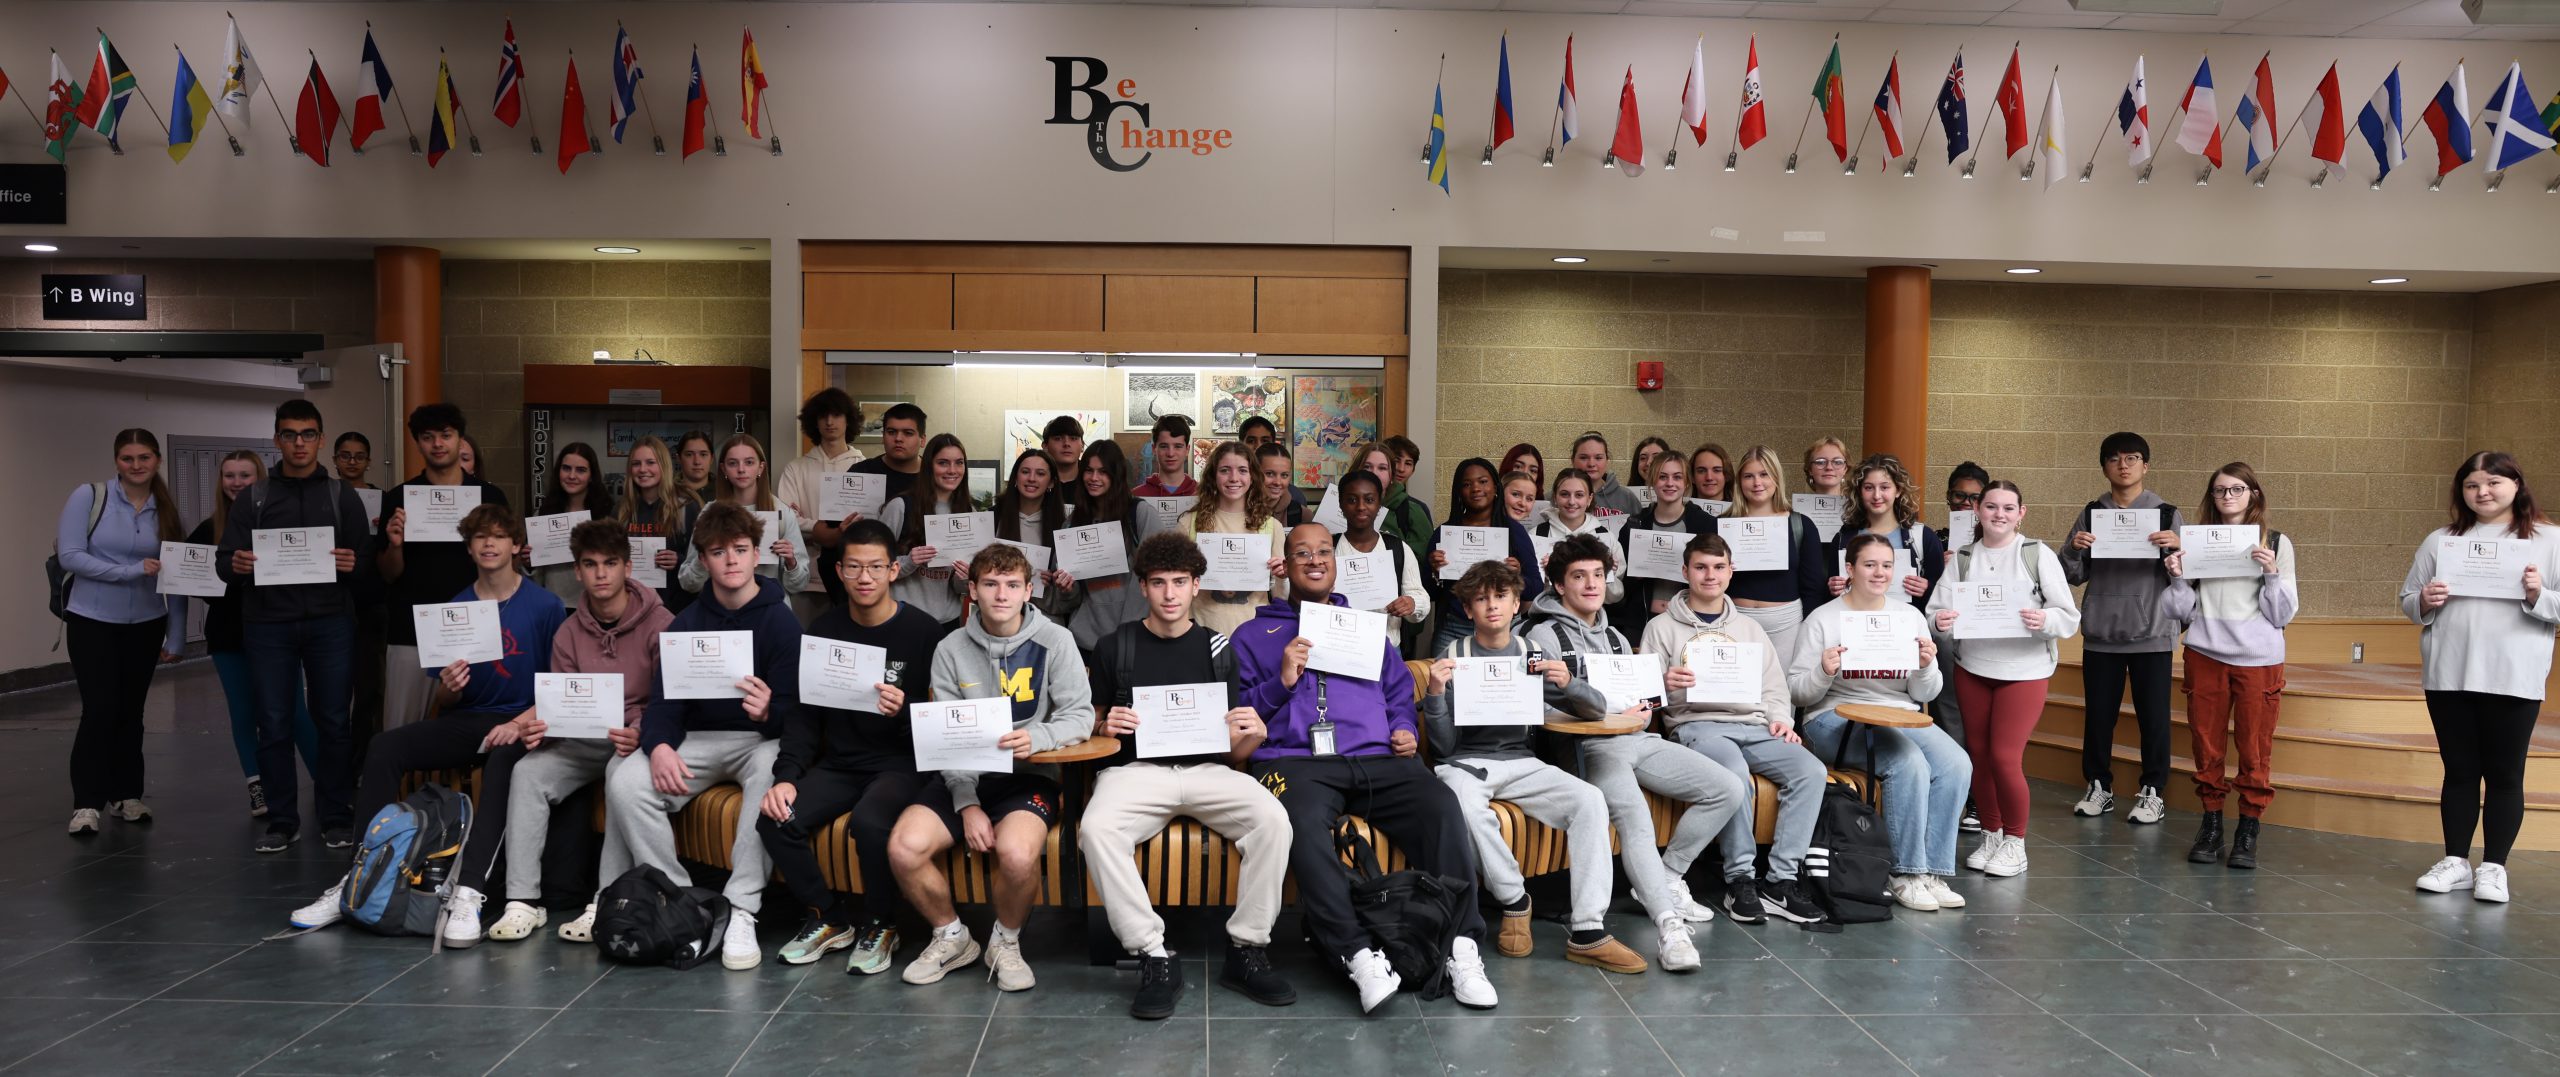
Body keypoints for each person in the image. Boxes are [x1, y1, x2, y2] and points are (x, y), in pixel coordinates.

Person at [1238, 523, 1497, 1012]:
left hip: (1374, 758)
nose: (1314, 561)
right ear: (1285, 566)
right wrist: (1282, 679)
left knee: (1440, 803)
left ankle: (1461, 946)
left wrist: (1402, 726)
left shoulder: (1363, 628)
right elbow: (1239, 712)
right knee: (1299, 826)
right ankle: (1356, 953)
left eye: (1322, 553)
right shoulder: (1255, 634)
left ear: (1334, 563)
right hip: (1295, 763)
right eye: (1301, 554)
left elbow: (1398, 690)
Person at [291, 503, 567, 944]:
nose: (489, 544)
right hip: (469, 719)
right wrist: (452, 685)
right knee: (384, 747)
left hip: (525, 723)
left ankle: (469, 892)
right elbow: (443, 697)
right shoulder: (455, 607)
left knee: (503, 762)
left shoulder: (546, 605)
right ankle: (358, 879)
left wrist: (518, 724)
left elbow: (559, 684)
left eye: (499, 536)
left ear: (516, 545)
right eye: (480, 537)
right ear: (470, 548)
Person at [1080, 533, 1298, 1018]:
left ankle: (1246, 949)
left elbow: (1233, 751)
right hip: (1135, 771)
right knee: (1096, 829)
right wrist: (1104, 724)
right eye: (1159, 583)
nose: (1170, 594)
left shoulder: (1219, 648)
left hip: (1207, 770)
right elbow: (1090, 729)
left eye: (1180, 582)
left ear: (1197, 585)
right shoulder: (1116, 646)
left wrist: (1254, 732)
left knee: (1273, 821)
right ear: (1144, 588)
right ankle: (1153, 954)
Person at [1525, 533, 1746, 971]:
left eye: (1598, 575)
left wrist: (1648, 703)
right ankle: (1669, 928)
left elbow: (1642, 712)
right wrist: (1599, 709)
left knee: (1727, 787)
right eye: (1578, 576)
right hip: (1587, 747)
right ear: (1558, 584)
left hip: (1635, 739)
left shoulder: (1617, 639)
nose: (1591, 584)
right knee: (1635, 817)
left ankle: (1663, 878)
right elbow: (1538, 711)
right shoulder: (1541, 637)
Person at [1424, 560, 1648, 974]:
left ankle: (1587, 930)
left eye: (1501, 597)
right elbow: (1443, 747)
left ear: (1515, 606)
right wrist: (1436, 694)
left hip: (1522, 761)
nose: (1491, 606)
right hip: (1467, 764)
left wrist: (1569, 683)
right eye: (1480, 599)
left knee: (1590, 799)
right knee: (1460, 799)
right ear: (1468, 609)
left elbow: (1595, 710)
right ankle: (1514, 900)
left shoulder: (1530, 652)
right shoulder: (1453, 656)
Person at [888, 542, 1093, 992]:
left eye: (1012, 585)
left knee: (1017, 854)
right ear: (973, 590)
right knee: (904, 847)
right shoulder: (950, 648)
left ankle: (1005, 941)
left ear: (1029, 591)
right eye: (991, 584)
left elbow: (1081, 716)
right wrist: (967, 804)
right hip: (963, 773)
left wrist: (1038, 736)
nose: (1001, 594)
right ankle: (951, 936)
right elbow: (946, 734)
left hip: (1030, 775)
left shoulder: (1056, 640)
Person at [611, 502, 799, 970]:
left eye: (740, 550)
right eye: (718, 552)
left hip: (758, 741)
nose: (731, 561)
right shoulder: (686, 623)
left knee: (770, 779)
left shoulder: (781, 621)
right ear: (704, 561)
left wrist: (769, 711)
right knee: (625, 781)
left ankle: (741, 909)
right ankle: (678, 901)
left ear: (757, 556)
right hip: (698, 738)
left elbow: (799, 712)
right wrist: (656, 749)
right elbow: (664, 706)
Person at [759, 520, 948, 973]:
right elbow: (804, 717)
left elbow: (940, 725)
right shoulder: (822, 631)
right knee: (775, 819)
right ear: (839, 572)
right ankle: (828, 917)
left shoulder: (924, 633)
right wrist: (786, 777)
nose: (865, 578)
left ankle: (881, 923)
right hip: (841, 763)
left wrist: (903, 711)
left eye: (876, 567)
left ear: (894, 571)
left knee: (869, 821)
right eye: (855, 567)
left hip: (902, 764)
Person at [479, 519, 673, 945]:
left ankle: (603, 902)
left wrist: (640, 731)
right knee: (527, 771)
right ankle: (522, 901)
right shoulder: (569, 631)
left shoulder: (660, 623)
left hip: (633, 741)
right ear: (578, 571)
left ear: (627, 567)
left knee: (623, 779)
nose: (601, 573)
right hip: (583, 739)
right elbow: (562, 700)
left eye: (610, 563)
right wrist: (538, 730)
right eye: (590, 564)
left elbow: (668, 700)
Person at [1643, 534, 1827, 925]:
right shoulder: (1660, 627)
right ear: (1685, 572)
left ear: (1731, 572)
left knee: (1811, 770)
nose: (1710, 575)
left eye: (1718, 567)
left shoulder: (1750, 628)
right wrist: (1664, 682)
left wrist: (1781, 718)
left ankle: (1780, 881)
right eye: (1701, 567)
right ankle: (1739, 878)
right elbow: (1641, 696)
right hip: (1697, 725)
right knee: (1733, 772)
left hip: (1754, 725)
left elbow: (1775, 687)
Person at [2401, 451, 2559, 905]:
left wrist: (2537, 594)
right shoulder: (2441, 541)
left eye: (2493, 482)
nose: (2482, 492)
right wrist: (2427, 599)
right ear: (2461, 492)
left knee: (2506, 774)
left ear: (2516, 485)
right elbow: (2409, 600)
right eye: (2472, 485)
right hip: (2450, 671)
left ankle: (2494, 867)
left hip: (2513, 674)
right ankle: (2456, 862)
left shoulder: (2549, 540)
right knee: (2460, 771)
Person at [220, 402, 375, 854]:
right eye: (290, 435)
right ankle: (282, 820)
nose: (300, 443)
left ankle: (335, 815)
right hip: (268, 625)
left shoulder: (340, 495)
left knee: (332, 721)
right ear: (277, 441)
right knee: (273, 723)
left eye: (308, 434)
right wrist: (237, 563)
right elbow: (224, 563)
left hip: (330, 624)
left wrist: (352, 563)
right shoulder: (255, 497)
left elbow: (366, 561)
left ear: (321, 439)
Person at [1791, 533, 1967, 912]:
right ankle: (1905, 872)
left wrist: (1924, 665)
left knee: (1957, 763)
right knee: (1907, 763)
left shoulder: (1908, 616)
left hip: (1898, 715)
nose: (1879, 573)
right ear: (1849, 569)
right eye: (1869, 565)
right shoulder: (1823, 618)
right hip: (1833, 717)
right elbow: (1798, 693)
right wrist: (1823, 671)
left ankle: (1931, 872)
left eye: (1886, 565)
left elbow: (1927, 693)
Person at [1924, 481, 2077, 879]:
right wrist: (1939, 621)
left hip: (2023, 673)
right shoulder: (1961, 558)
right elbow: (1934, 613)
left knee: (2005, 758)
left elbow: (2068, 617)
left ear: (2021, 513)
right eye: (1991, 507)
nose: (1999, 515)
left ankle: (2016, 841)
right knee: (1980, 757)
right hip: (1974, 667)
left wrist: (2045, 620)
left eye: (2008, 508)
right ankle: (1991, 834)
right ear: (1977, 511)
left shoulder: (2035, 554)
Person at [2163, 463, 2297, 869]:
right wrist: (2176, 579)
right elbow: (2179, 611)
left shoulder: (2275, 541)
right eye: (2220, 490)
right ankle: (2212, 824)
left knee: (2255, 748)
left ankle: (2248, 828)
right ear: (2212, 496)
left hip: (2259, 660)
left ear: (2254, 494)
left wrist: (2271, 573)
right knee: (2206, 746)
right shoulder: (2197, 541)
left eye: (2237, 489)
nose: (2228, 497)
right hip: (2205, 653)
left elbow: (2283, 614)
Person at [57, 429, 186, 836]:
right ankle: (86, 804)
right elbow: (71, 556)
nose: (136, 465)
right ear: (117, 461)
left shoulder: (164, 507)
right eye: (128, 458)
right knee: (99, 710)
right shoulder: (88, 497)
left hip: (146, 624)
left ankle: (127, 795)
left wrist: (177, 634)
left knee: (131, 713)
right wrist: (129, 571)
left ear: (157, 461)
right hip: (92, 620)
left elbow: (176, 572)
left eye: (144, 458)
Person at [2060, 432, 2186, 825]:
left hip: (2153, 631)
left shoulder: (2166, 513)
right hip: (2102, 632)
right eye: (2114, 459)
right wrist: (2075, 548)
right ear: (2104, 467)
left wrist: (2177, 548)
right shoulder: (2092, 512)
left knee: (2153, 718)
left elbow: (2187, 575)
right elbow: (2071, 574)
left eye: (2133, 458)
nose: (2124, 465)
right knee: (2099, 717)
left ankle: (2153, 791)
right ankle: (2099, 786)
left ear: (2145, 466)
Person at [184, 451, 317, 819]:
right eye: (229, 475)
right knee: (244, 713)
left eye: (245, 475)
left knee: (294, 712)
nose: (237, 482)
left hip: (278, 632)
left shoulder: (280, 522)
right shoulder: (209, 529)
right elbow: (191, 578)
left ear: (261, 479)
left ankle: (326, 781)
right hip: (230, 635)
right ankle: (258, 788)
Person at [380, 403, 512, 734]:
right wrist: (395, 545)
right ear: (418, 443)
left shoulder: (489, 496)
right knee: (402, 732)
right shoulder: (399, 498)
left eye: (446, 435)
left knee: (476, 730)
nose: (438, 444)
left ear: (458, 438)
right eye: (428, 437)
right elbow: (388, 574)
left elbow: (505, 567)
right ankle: (402, 789)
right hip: (412, 631)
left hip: (475, 629)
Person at [1720, 445, 1830, 664]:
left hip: (1787, 625)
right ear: (1740, 482)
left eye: (1764, 474)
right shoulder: (1723, 525)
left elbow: (1812, 587)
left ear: (1776, 478)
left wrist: (1810, 631)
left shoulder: (1801, 525)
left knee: (1785, 693)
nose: (1757, 483)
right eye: (1749, 476)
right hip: (1735, 621)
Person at [1424, 457, 1545, 653]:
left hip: (1503, 630)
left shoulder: (1514, 532)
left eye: (1483, 481)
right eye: (1466, 484)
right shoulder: (1444, 534)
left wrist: (1518, 575)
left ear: (1496, 487)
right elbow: (1428, 593)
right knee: (1446, 683)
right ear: (1459, 492)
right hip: (1453, 629)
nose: (1475, 488)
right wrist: (1434, 572)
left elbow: (1535, 589)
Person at [1933, 459, 1992, 829]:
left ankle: (1980, 798)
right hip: (1946, 638)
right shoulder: (1933, 538)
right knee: (1949, 717)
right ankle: (1957, 795)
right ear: (1949, 498)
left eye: (1975, 498)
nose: (1967, 505)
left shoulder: (1998, 540)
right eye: (1960, 496)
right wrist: (1938, 568)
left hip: (1988, 639)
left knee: (1983, 722)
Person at [680, 434, 813, 596]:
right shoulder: (710, 513)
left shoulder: (782, 513)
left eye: (749, 462)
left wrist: (791, 562)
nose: (741, 469)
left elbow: (798, 585)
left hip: (768, 612)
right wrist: (703, 556)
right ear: (723, 469)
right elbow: (688, 583)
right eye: (733, 463)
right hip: (723, 611)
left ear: (761, 467)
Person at [776, 388, 867, 624]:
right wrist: (817, 529)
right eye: (823, 416)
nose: (829, 422)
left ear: (849, 420)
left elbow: (872, 518)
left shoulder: (865, 467)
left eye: (836, 415)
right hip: (806, 578)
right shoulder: (796, 468)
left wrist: (835, 531)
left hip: (856, 578)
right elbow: (785, 518)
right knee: (806, 645)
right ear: (813, 422)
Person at [1180, 441, 1288, 636]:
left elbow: (1281, 597)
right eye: (1224, 470)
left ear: (1253, 476)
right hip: (1201, 632)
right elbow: (1175, 588)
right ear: (1213, 475)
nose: (1234, 478)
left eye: (1242, 470)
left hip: (1255, 635)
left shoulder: (1272, 527)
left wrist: (1282, 576)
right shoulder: (1189, 524)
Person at [1613, 452, 1717, 643]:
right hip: (1641, 622)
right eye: (1663, 477)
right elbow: (1619, 586)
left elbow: (1715, 577)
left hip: (1690, 621)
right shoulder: (1635, 524)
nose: (1670, 483)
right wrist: (1632, 576)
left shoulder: (1705, 525)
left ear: (1687, 482)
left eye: (1677, 477)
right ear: (1652, 480)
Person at [877, 433, 975, 627]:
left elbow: (958, 587)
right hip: (904, 617)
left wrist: (966, 576)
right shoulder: (901, 506)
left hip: (948, 621)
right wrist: (909, 561)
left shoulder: (968, 511)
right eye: (943, 463)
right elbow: (876, 566)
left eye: (959, 463)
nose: (952, 470)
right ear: (929, 465)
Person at [1823, 454, 1946, 606]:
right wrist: (1833, 587)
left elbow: (1943, 594)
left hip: (1905, 625)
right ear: (1860, 492)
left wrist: (1927, 588)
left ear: (1898, 490)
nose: (1876, 495)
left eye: (1885, 487)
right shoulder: (1843, 538)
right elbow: (1833, 596)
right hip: (1855, 624)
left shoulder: (1923, 537)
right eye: (1869, 488)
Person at [332, 431, 386, 758]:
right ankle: (335, 759)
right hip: (334, 600)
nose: (352, 462)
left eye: (359, 456)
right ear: (335, 459)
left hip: (372, 602)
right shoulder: (324, 496)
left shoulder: (384, 498)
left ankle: (362, 758)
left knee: (369, 688)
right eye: (345, 455)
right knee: (334, 690)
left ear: (369, 460)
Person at [1067, 440, 1144, 656]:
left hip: (1132, 638)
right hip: (1084, 641)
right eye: (1089, 471)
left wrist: (1129, 631)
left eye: (1103, 471)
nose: (1094, 478)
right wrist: (1065, 587)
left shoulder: (1138, 514)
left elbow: (1154, 576)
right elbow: (1071, 595)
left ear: (1116, 474)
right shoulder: (1073, 522)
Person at [1334, 470, 1431, 630]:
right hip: (1341, 643)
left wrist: (1411, 603)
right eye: (1351, 500)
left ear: (1380, 504)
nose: (1361, 507)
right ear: (1340, 504)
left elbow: (1420, 596)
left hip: (1388, 646)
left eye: (1369, 499)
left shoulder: (1397, 548)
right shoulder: (1328, 548)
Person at [615, 435, 699, 615]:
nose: (643, 469)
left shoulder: (686, 505)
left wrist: (679, 559)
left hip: (677, 608)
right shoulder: (622, 510)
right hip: (631, 608)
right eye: (636, 464)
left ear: (664, 465)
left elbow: (703, 558)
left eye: (650, 462)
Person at [993, 448, 1078, 618]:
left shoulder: (1066, 525)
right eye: (1025, 472)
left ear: (1052, 482)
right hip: (999, 620)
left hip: (1047, 625)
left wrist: (1054, 584)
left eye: (1040, 474)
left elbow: (1072, 599)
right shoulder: (993, 519)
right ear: (1016, 477)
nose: (1031, 479)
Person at [531, 442, 616, 607]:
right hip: (553, 605)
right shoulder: (543, 514)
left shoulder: (607, 517)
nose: (572, 476)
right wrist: (529, 561)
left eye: (581, 470)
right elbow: (536, 575)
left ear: (591, 475)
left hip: (597, 605)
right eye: (566, 468)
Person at [1242, 419, 1308, 525]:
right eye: (1269, 474)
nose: (1258, 446)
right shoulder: (1234, 500)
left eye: (1284, 475)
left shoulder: (1298, 505)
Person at [1379, 435, 1436, 553]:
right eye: (1396, 461)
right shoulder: (1359, 502)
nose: (1401, 469)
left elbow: (1425, 557)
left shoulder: (1417, 509)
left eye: (1408, 463)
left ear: (1413, 470)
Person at [1573, 432, 1641, 517]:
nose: (1591, 464)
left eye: (1598, 458)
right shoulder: (1558, 495)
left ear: (1607, 461)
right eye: (1583, 457)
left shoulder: (1627, 497)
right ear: (1573, 461)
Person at [1132, 414, 1199, 498]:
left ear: (1187, 450)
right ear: (1154, 449)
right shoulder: (1136, 496)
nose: (1170, 454)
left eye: (1178, 446)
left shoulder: (1204, 495)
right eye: (1164, 446)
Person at [1255, 442, 1306, 528]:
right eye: (1270, 474)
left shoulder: (1302, 514)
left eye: (1284, 475)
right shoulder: (1236, 510)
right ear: (1254, 473)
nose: (1278, 482)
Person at [1622, 436, 1672, 511]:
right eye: (1643, 458)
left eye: (1656, 457)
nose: (1648, 463)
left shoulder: (1679, 497)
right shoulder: (1624, 497)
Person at [1041, 414, 1086, 490]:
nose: (1066, 444)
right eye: (1058, 438)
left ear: (1082, 446)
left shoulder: (1094, 480)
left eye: (1073, 438)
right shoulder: (1034, 480)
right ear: (1045, 446)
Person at [675, 431, 717, 502]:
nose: (697, 462)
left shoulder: (725, 494)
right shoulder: (666, 494)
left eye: (703, 454)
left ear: (711, 459)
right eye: (689, 455)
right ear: (679, 458)